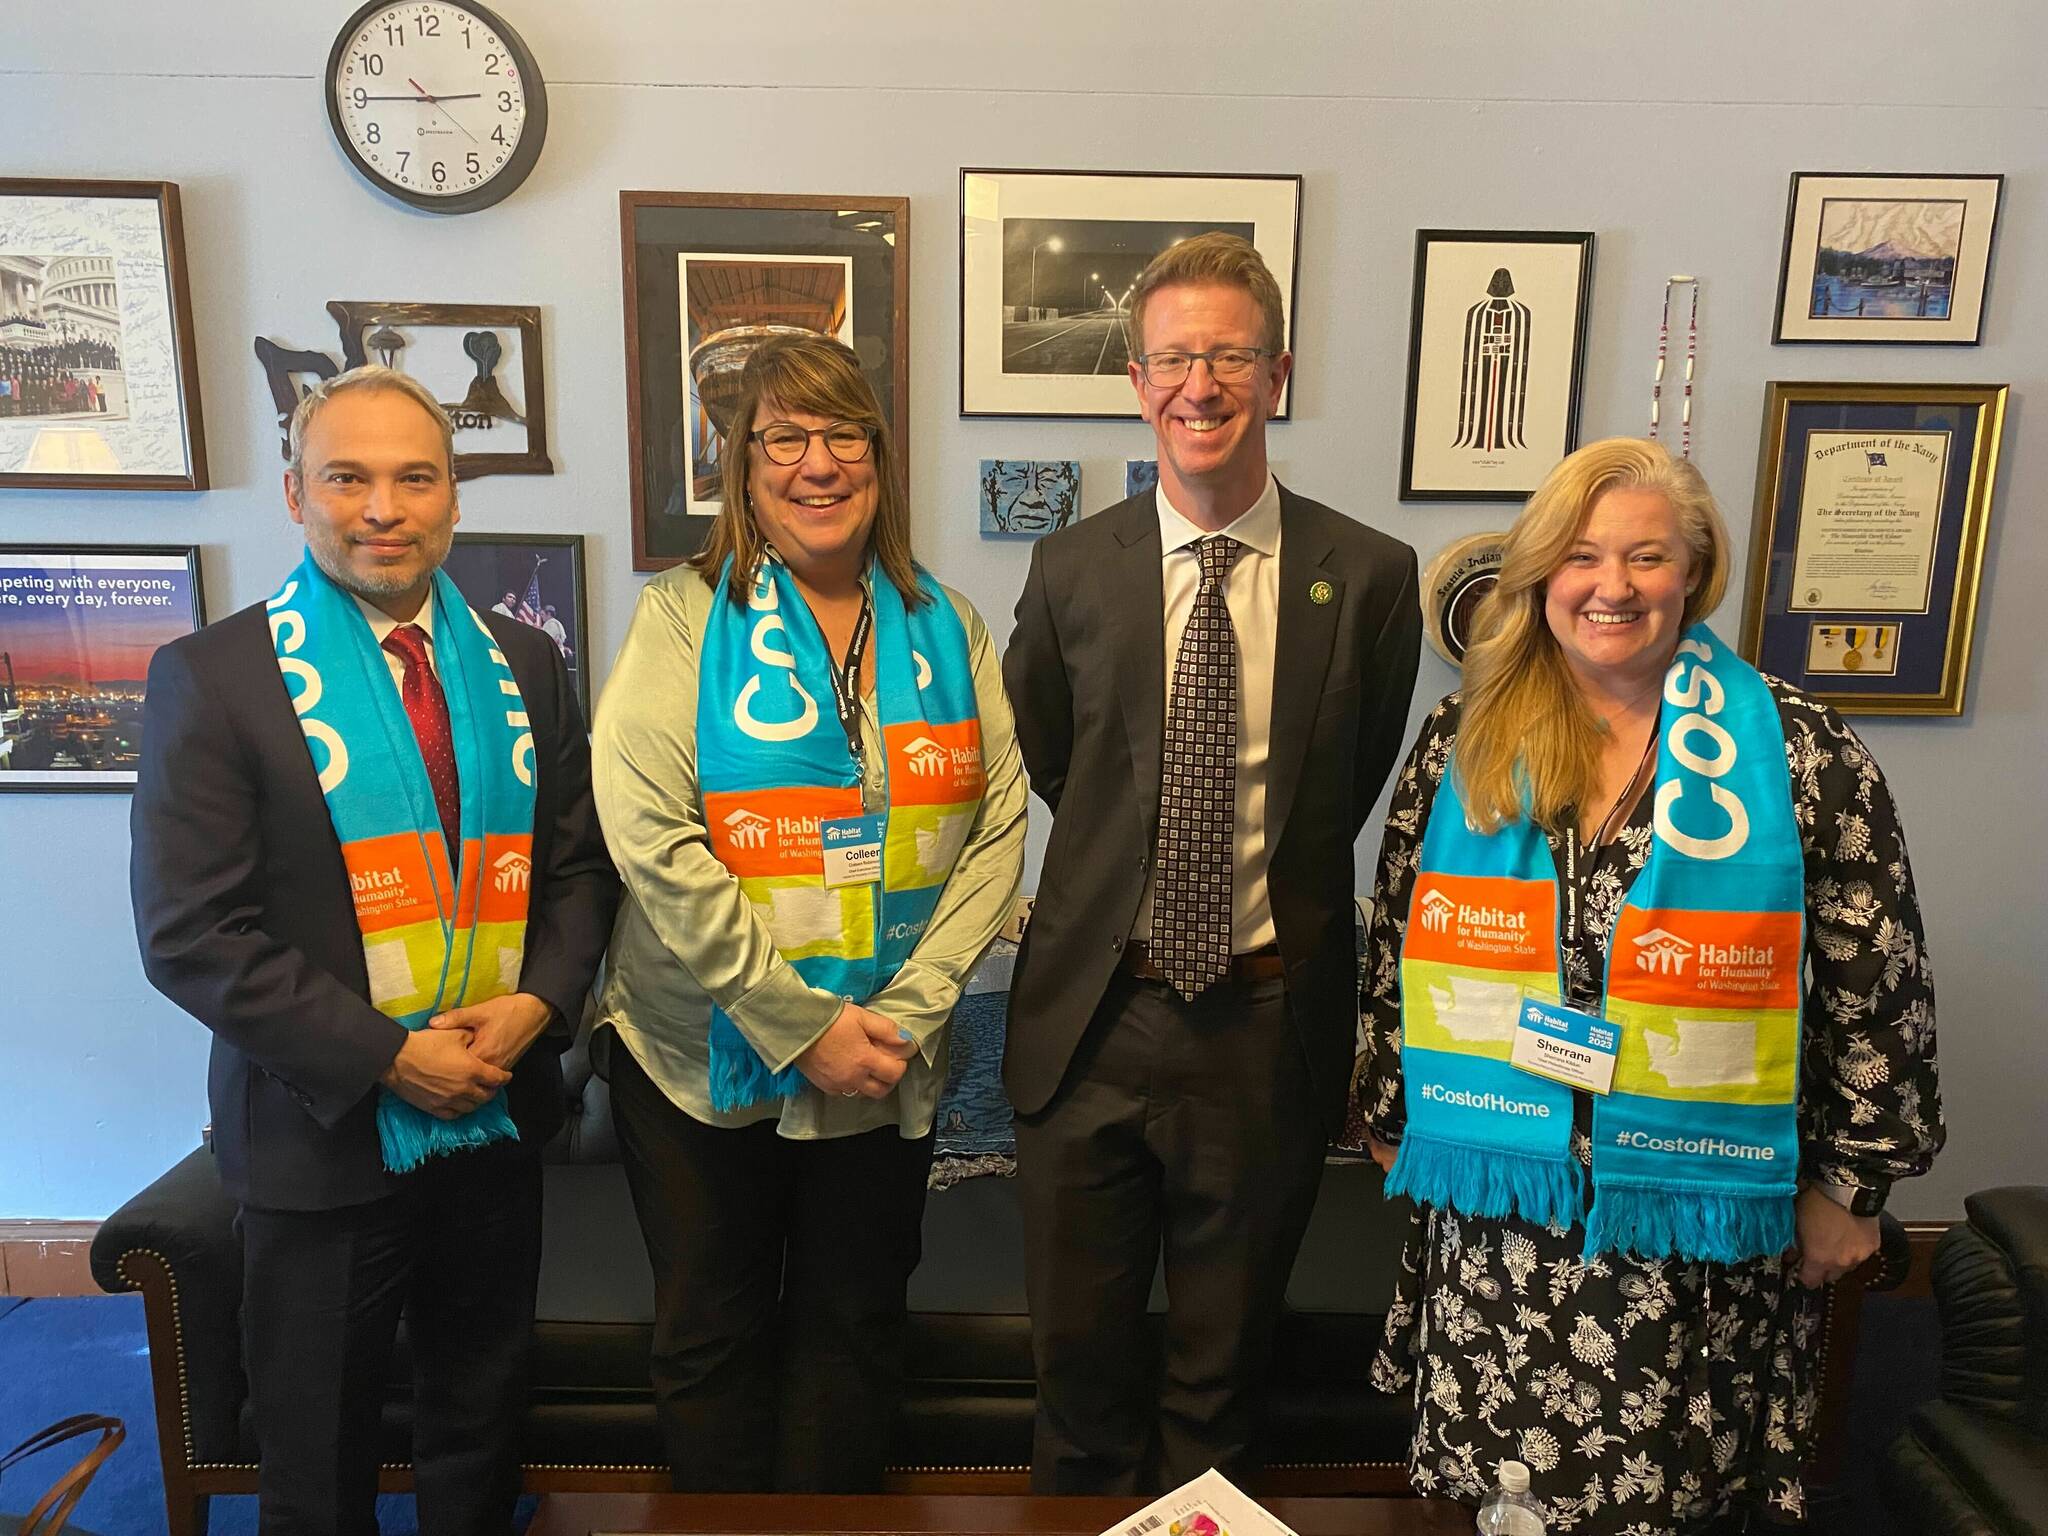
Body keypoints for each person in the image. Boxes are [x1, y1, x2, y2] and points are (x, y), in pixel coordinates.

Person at [1353, 437, 1942, 1532]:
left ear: (1693, 572)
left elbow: (1877, 983)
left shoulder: (1800, 753)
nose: (1610, 587)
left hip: (1694, 1218)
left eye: (1645, 557)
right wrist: (1394, 1119)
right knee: (1509, 1504)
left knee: (1668, 1500)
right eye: (1580, 557)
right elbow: (1396, 937)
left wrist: (1852, 1183)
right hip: (1506, 1211)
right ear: (1539, 575)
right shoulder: (1465, 740)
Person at [129, 364, 619, 1536]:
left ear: (454, 499)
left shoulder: (525, 663)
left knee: (480, 1424)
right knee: (318, 1459)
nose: (383, 508)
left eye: (415, 478)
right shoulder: (213, 679)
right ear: (296, 496)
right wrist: (391, 1058)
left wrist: (539, 1008)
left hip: (496, 1118)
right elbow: (192, 932)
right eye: (348, 478)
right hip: (320, 1140)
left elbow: (578, 868)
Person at [1002, 231, 1422, 1492]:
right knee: (1076, 1375)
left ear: (1276, 374)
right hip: (1091, 1021)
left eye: (1228, 355)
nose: (1201, 383)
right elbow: (1060, 764)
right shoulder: (1072, 566)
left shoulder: (1368, 576)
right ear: (1137, 379)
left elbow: (1340, 792)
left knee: (1220, 1375)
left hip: (1261, 1023)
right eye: (1174, 357)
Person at [591, 333, 1027, 1492]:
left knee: (855, 1330)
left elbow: (997, 826)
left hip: (887, 1056)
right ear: (743, 466)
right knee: (712, 1337)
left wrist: (911, 1009)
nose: (817, 463)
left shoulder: (948, 625)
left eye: (843, 435)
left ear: (879, 462)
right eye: (785, 437)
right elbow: (651, 834)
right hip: (697, 1056)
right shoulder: (679, 620)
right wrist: (795, 1021)